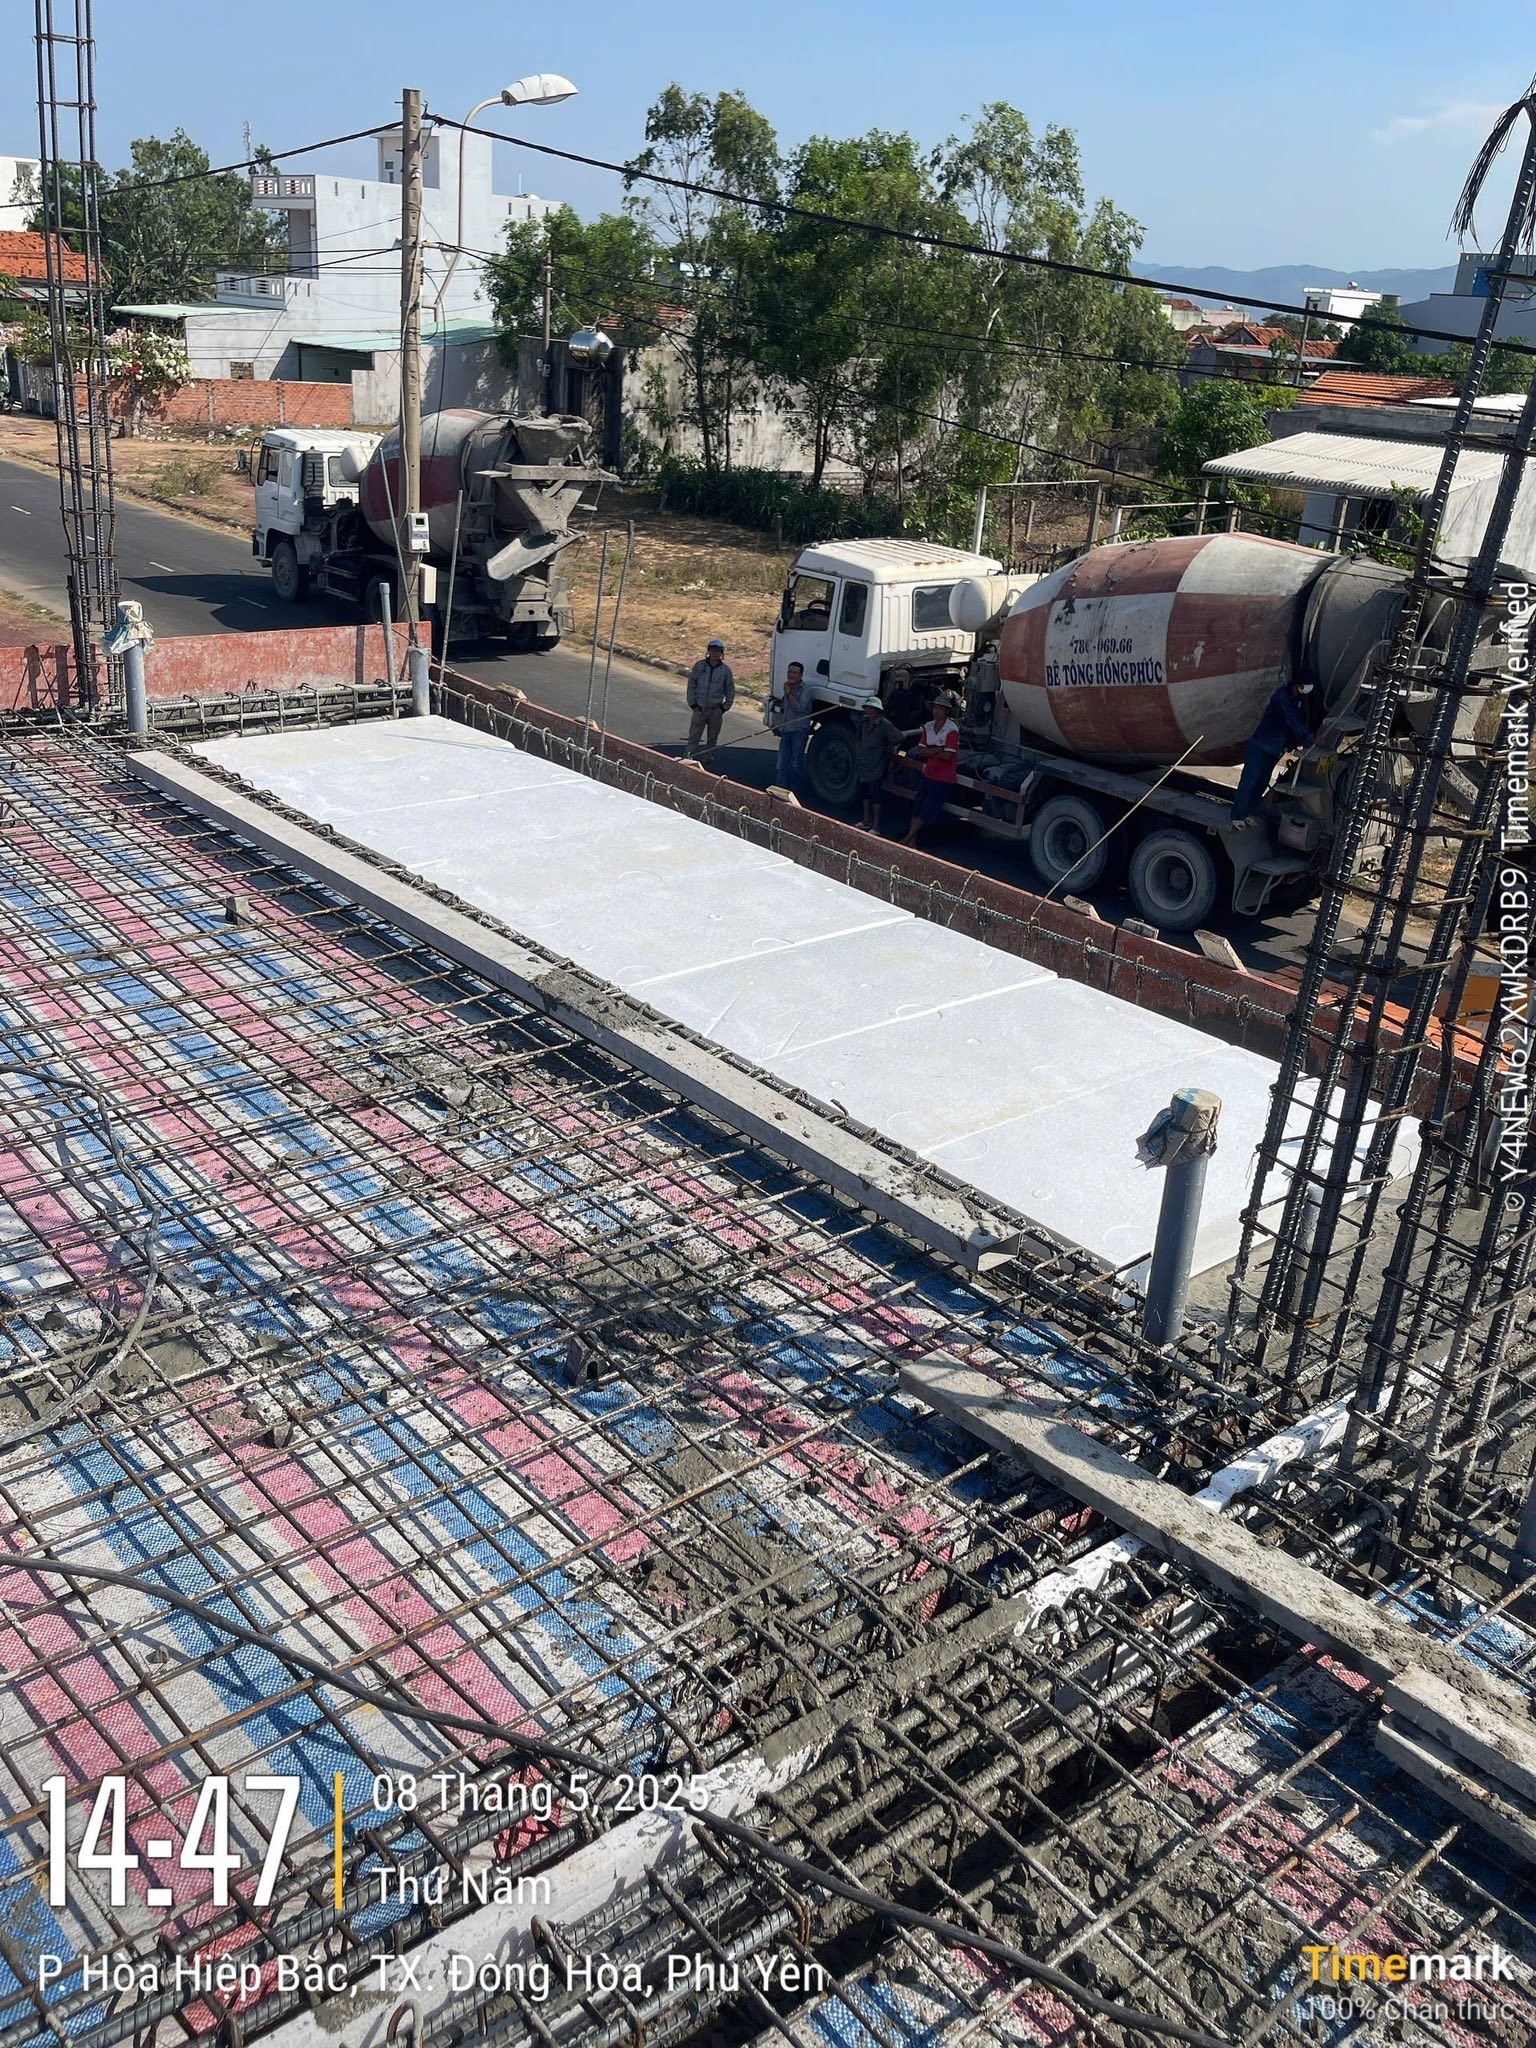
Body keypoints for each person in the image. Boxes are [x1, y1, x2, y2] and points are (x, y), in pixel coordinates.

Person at [1232, 673, 1314, 823]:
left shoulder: (1297, 700)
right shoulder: (1282, 696)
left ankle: (1249, 812)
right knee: (1249, 781)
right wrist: (1308, 737)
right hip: (1261, 745)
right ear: (1299, 684)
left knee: (1262, 782)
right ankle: (1237, 815)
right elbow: (1291, 720)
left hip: (1274, 749)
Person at [901, 691, 961, 846]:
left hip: (943, 777)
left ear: (946, 711)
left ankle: (908, 838)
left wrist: (932, 751)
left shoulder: (952, 729)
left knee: (928, 809)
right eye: (935, 707)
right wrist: (938, 749)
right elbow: (921, 751)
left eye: (940, 708)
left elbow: (947, 755)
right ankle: (912, 841)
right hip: (928, 773)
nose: (936, 711)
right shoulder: (928, 727)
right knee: (918, 806)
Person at [853, 696, 903, 832]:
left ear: (877, 710)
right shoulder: (863, 722)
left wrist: (886, 747)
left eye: (872, 708)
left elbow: (899, 737)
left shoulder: (884, 724)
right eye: (867, 708)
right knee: (864, 793)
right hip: (864, 762)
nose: (869, 710)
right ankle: (866, 820)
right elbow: (858, 738)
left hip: (877, 763)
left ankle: (876, 825)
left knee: (875, 794)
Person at [686, 637, 735, 767]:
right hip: (699, 709)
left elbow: (730, 690)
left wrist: (724, 708)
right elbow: (691, 685)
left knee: (712, 738)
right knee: (694, 736)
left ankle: (708, 760)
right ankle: (688, 758)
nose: (715, 653)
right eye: (712, 650)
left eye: (718, 651)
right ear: (708, 651)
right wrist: (693, 704)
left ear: (722, 653)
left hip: (715, 711)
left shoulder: (725, 671)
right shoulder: (699, 666)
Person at [775, 662, 813, 790]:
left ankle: (794, 790)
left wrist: (788, 694)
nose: (791, 675)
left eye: (795, 672)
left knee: (795, 763)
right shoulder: (786, 686)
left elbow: (799, 708)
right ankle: (780, 789)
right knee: (781, 763)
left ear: (801, 675)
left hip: (799, 731)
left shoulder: (806, 690)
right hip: (786, 730)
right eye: (790, 672)